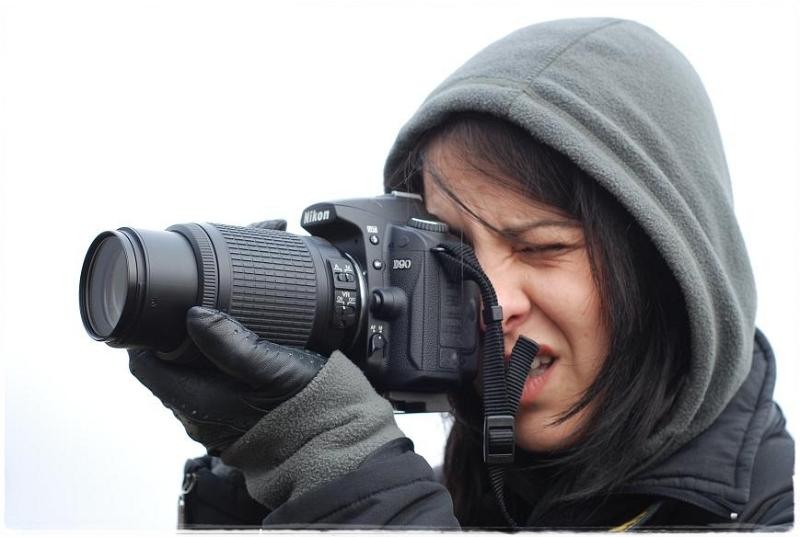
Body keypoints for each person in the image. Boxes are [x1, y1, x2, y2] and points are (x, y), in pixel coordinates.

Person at [129, 18, 794, 530]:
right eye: (453, 250)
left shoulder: (776, 513)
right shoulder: (457, 488)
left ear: (668, 268)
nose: (489, 301)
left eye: (540, 247)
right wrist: (257, 482)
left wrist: (346, 475)